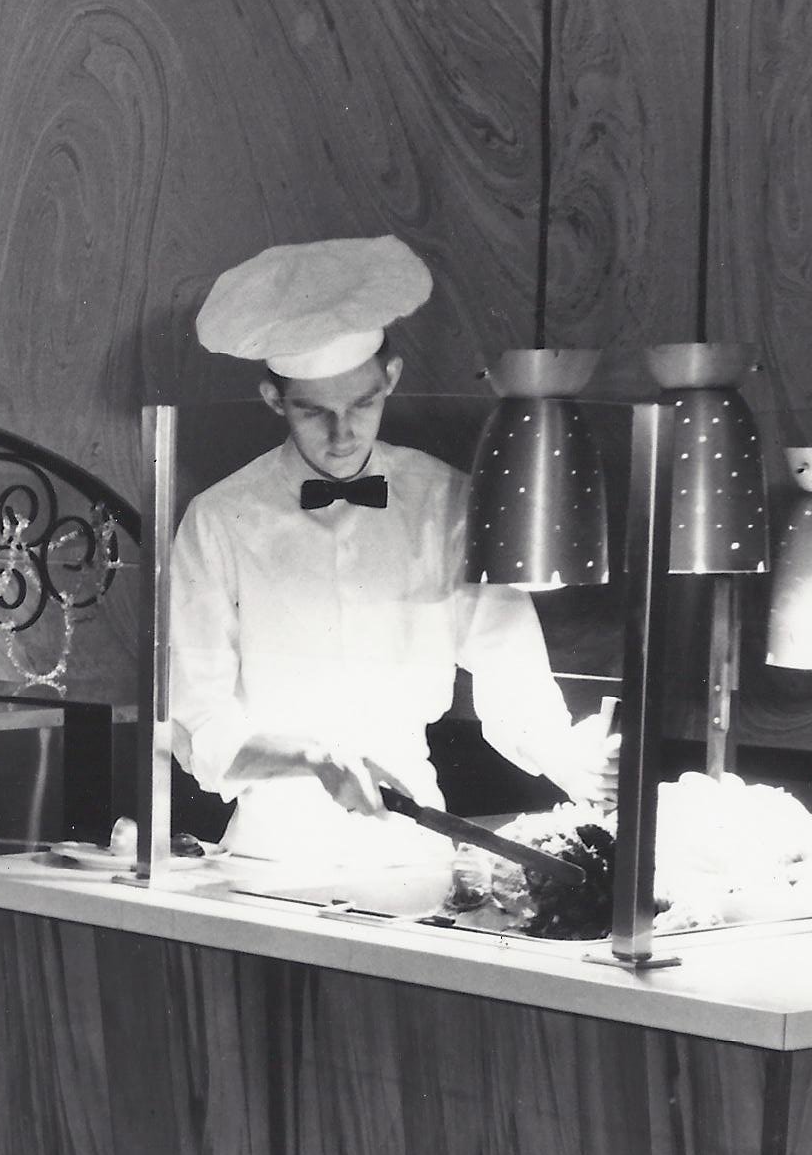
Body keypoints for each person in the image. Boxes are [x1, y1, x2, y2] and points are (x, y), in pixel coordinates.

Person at [168, 235, 610, 864]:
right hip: (271, 853)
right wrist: (316, 761)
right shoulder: (217, 520)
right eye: (313, 412)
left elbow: (515, 681)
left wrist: (577, 761)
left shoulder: (448, 502)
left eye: (363, 403)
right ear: (274, 401)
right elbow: (200, 729)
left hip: (417, 837)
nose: (343, 433)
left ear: (392, 380)